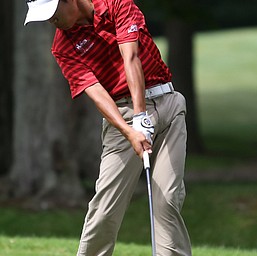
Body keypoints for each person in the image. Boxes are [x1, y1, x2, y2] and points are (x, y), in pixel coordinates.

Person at [24, 0, 192, 255]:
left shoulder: (116, 4)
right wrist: (130, 129)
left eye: (53, 13)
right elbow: (97, 93)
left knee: (167, 201)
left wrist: (141, 117)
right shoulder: (63, 46)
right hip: (121, 116)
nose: (51, 21)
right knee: (105, 207)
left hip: (168, 104)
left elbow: (131, 57)